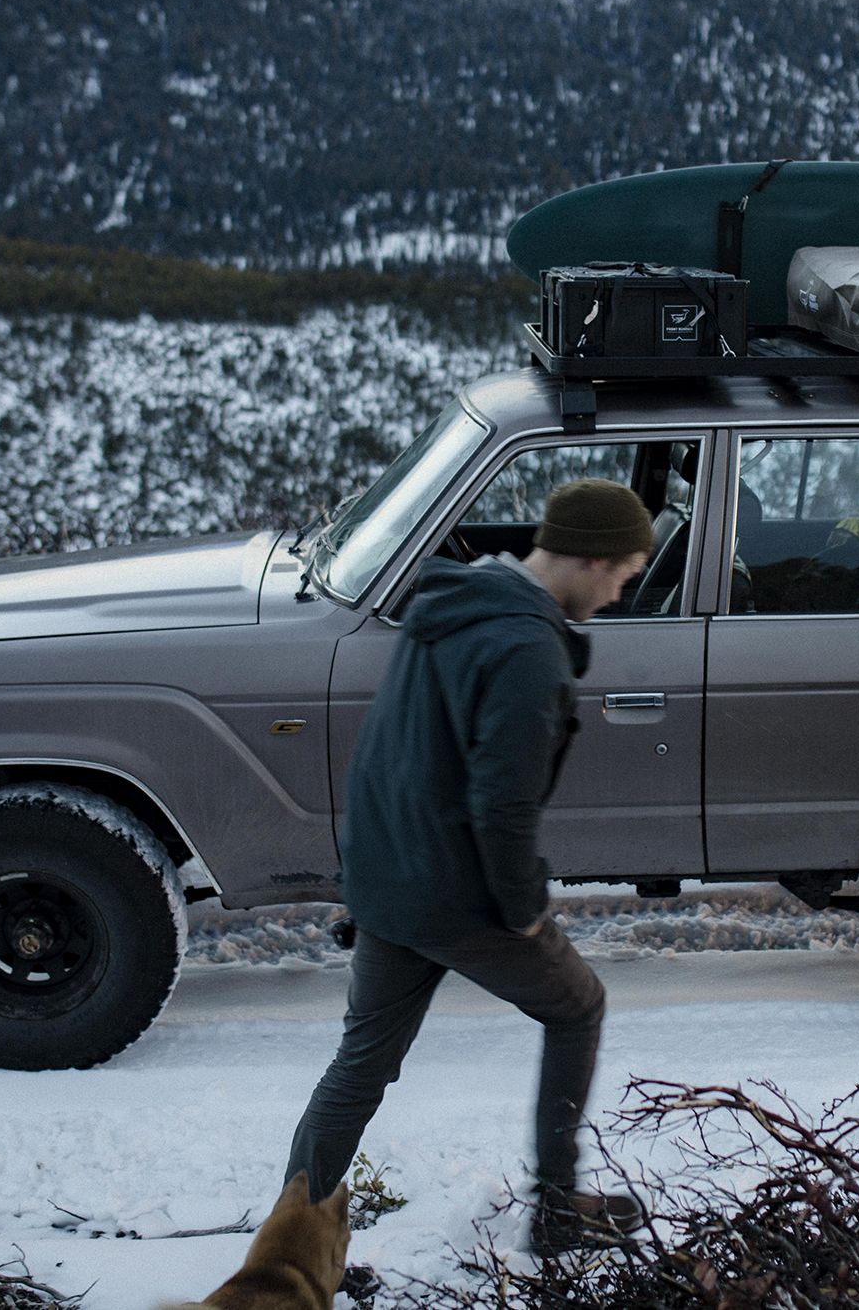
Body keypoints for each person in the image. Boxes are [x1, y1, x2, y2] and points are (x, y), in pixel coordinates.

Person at [285, 476, 655, 1252]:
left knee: (358, 1068)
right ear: (590, 560)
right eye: (623, 574)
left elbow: (386, 746)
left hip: (391, 877)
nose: (621, 594)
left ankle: (290, 1253)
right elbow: (503, 805)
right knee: (578, 1006)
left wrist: (370, 869)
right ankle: (556, 1209)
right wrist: (524, 907)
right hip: (456, 891)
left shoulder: (468, 596)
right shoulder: (527, 652)